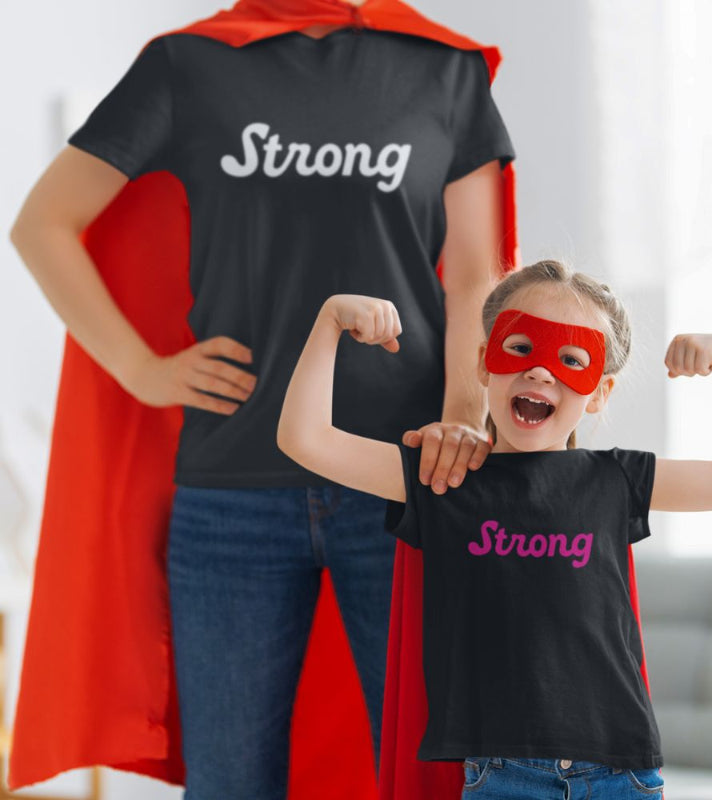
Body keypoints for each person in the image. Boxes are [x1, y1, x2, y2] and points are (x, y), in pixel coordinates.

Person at [7, 1, 519, 799]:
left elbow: (477, 277)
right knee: (229, 785)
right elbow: (42, 224)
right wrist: (142, 369)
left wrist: (463, 413)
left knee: (433, 777)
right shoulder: (188, 64)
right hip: (229, 493)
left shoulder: (444, 70)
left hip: (403, 483)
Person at [277, 258, 712, 800]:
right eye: (520, 348)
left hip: (621, 772)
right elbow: (304, 439)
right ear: (484, 363)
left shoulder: (616, 479)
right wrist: (330, 321)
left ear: (600, 393)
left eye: (571, 359)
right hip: (503, 775)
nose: (541, 372)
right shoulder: (443, 480)